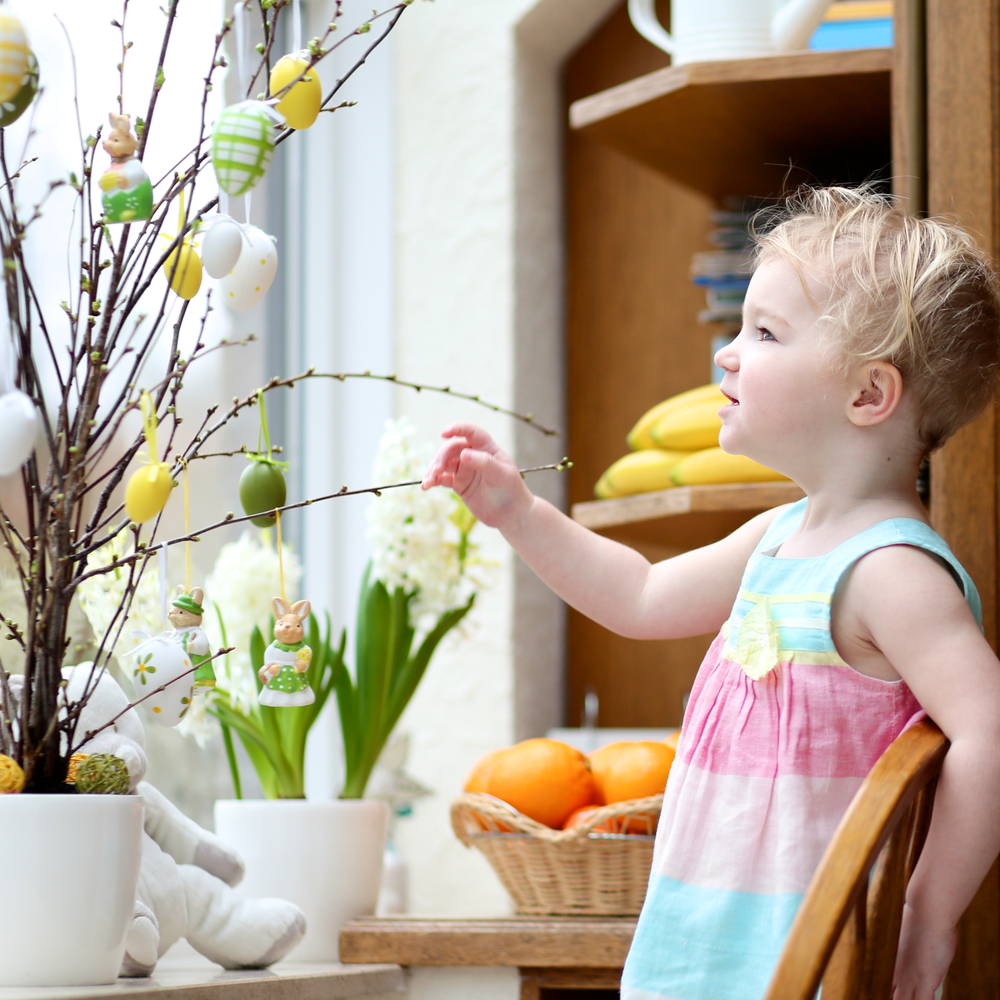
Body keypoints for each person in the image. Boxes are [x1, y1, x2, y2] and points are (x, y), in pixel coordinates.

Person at [421, 186, 1000, 1000]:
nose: (726, 354)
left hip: (805, 958)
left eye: (764, 332)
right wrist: (518, 513)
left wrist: (929, 914)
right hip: (707, 948)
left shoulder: (890, 571)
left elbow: (989, 731)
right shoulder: (777, 539)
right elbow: (643, 593)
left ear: (868, 396)